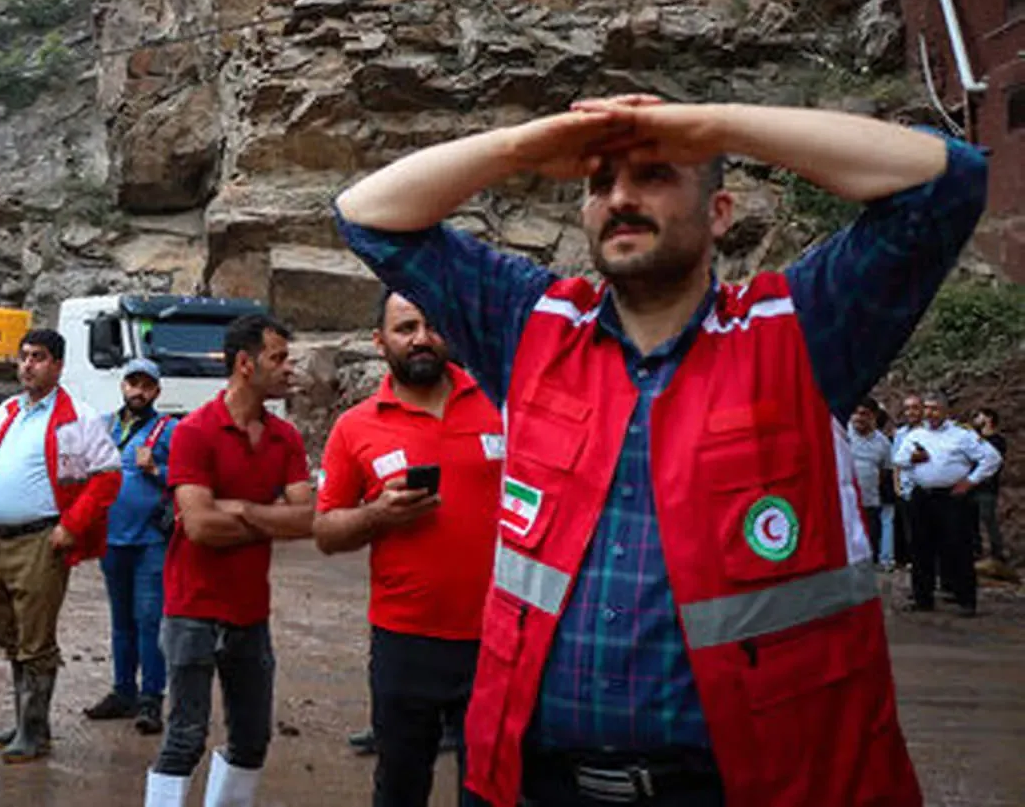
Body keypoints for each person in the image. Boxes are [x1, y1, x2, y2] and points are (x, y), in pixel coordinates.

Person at [334, 97, 988, 806]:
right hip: (535, 783)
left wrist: (715, 127)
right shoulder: (532, 328)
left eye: (654, 175)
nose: (620, 197)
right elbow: (367, 213)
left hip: (748, 786)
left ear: (718, 213)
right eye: (599, 183)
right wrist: (528, 145)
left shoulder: (798, 332)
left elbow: (947, 181)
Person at [314, 291, 503, 807]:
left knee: (492, 789)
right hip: (405, 641)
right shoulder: (356, 426)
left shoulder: (500, 402)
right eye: (405, 327)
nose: (421, 337)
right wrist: (377, 515)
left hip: (499, 639)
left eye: (432, 324)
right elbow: (326, 531)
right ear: (380, 342)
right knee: (399, 786)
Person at [145, 314, 313, 807]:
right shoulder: (195, 432)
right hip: (192, 609)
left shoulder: (286, 438)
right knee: (184, 738)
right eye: (278, 358)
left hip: (249, 613)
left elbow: (307, 519)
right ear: (245, 364)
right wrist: (270, 517)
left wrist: (238, 509)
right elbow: (199, 527)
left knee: (252, 740)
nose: (289, 369)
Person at [0, 330, 122, 763]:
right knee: (10, 633)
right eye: (23, 357)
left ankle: (33, 732)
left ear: (58, 365)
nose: (28, 365)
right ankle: (26, 721)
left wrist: (72, 526)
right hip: (1, 540)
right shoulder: (7, 410)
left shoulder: (77, 416)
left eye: (38, 358)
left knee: (36, 638)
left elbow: (108, 475)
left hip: (42, 539)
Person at [84, 358, 174, 736]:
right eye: (132, 384)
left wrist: (157, 471)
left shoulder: (168, 430)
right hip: (112, 538)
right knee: (121, 622)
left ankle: (151, 698)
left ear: (156, 391)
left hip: (151, 541)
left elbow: (189, 477)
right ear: (122, 386)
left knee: (150, 621)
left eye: (146, 386)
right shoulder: (104, 426)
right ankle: (124, 691)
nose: (138, 391)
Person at [894, 394, 1002, 617]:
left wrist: (971, 481)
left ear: (945, 411)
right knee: (920, 548)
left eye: (934, 409)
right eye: (926, 409)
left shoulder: (962, 435)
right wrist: (913, 459)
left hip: (951, 497)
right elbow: (899, 460)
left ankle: (965, 599)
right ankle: (923, 597)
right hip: (922, 496)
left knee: (958, 547)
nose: (929, 413)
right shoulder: (916, 434)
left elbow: (992, 458)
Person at [849, 396, 893, 571]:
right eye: (856, 413)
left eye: (864, 414)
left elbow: (884, 472)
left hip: (870, 503)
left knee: (868, 548)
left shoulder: (883, 443)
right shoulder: (841, 434)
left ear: (873, 417)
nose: (859, 418)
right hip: (844, 504)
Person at [891, 394, 924, 568]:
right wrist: (896, 485)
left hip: (924, 486)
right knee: (907, 528)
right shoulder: (900, 434)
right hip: (904, 488)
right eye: (907, 408)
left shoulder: (929, 431)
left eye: (915, 408)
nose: (911, 412)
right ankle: (912, 561)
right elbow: (896, 461)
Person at [971, 407, 1007, 562]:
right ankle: (975, 550)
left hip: (988, 487)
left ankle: (997, 552)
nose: (976, 419)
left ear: (989, 418)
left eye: (979, 416)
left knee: (988, 518)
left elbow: (992, 460)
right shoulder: (975, 438)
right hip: (972, 486)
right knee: (971, 520)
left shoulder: (998, 441)